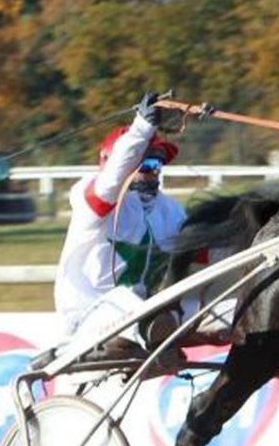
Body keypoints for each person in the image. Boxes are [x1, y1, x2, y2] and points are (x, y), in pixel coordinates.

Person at [54, 90, 188, 362]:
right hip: (88, 314)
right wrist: (142, 129)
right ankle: (157, 334)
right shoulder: (90, 197)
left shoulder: (170, 210)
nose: (155, 171)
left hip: (139, 312)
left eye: (159, 163)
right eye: (147, 163)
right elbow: (111, 181)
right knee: (139, 307)